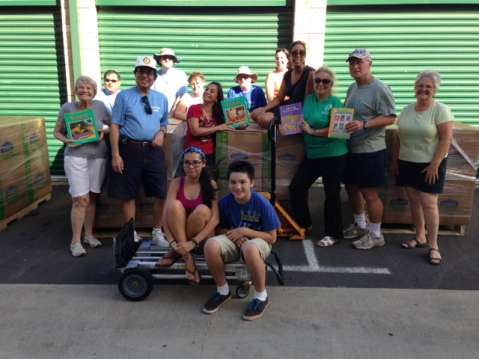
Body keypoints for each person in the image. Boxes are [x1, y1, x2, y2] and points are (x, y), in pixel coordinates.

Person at [202, 160, 281, 321]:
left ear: (252, 183)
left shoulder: (262, 204)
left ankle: (261, 296)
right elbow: (219, 229)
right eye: (233, 182)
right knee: (210, 245)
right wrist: (234, 234)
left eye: (242, 182)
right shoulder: (225, 203)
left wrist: (245, 232)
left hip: (259, 242)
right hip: (235, 240)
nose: (237, 187)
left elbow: (272, 237)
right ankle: (223, 291)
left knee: (250, 248)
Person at [391, 70, 454, 265]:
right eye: (420, 85)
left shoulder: (440, 110)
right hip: (407, 162)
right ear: (415, 88)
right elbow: (398, 136)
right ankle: (420, 236)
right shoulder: (407, 109)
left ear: (435, 90)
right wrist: (395, 161)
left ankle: (433, 245)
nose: (423, 89)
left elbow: (447, 139)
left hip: (430, 164)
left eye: (428, 86)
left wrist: (435, 165)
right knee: (414, 201)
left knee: (428, 203)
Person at [108, 56, 169, 246]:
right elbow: (115, 125)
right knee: (128, 195)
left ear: (154, 77)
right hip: (129, 150)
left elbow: (164, 123)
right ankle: (130, 233)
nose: (145, 76)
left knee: (161, 193)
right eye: (141, 72)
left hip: (153, 152)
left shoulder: (162, 98)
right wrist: (116, 155)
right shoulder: (124, 96)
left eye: (149, 73)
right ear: (135, 75)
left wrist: (161, 132)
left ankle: (157, 232)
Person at [288, 66, 348, 247]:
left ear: (331, 85)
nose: (320, 84)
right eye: (317, 81)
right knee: (297, 187)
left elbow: (341, 130)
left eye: (325, 81)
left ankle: (334, 233)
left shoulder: (337, 102)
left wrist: (313, 132)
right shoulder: (308, 99)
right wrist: (288, 128)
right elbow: (300, 124)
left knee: (331, 194)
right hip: (313, 153)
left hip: (333, 153)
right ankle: (305, 224)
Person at [342, 48, 396, 250]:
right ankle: (361, 225)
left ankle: (376, 234)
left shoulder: (379, 87)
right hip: (352, 148)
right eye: (352, 63)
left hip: (371, 149)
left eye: (359, 63)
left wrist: (364, 125)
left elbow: (390, 117)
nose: (355, 66)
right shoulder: (352, 87)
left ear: (369, 64)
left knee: (370, 193)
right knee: (352, 187)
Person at [53, 76, 111, 257]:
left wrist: (104, 131)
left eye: (89, 88)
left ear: (94, 91)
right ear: (76, 90)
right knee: (80, 200)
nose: (85, 91)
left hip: (99, 157)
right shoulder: (67, 108)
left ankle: (89, 235)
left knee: (92, 197)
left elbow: (112, 125)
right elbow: (57, 131)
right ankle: (75, 242)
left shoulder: (101, 106)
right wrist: (67, 140)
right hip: (75, 158)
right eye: (81, 88)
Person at [155, 147, 220, 284]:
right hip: (181, 240)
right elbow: (165, 217)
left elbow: (215, 219)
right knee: (174, 206)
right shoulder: (177, 183)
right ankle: (185, 256)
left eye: (196, 163)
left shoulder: (210, 184)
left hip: (201, 241)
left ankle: (177, 252)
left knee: (203, 210)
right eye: (187, 163)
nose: (191, 167)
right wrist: (173, 243)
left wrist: (192, 243)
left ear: (203, 163)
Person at [251, 40, 314, 128]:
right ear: (289, 57)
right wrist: (264, 109)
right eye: (294, 53)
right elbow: (279, 98)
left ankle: (280, 128)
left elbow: (307, 102)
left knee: (264, 120)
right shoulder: (288, 74)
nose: (298, 55)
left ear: (305, 56)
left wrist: (297, 121)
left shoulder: (310, 73)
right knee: (254, 114)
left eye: (301, 52)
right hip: (287, 106)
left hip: (298, 110)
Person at [182, 82, 233, 171]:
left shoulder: (219, 114)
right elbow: (195, 131)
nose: (207, 92)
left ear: (217, 98)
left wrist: (242, 124)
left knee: (209, 183)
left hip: (210, 155)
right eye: (207, 89)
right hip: (192, 154)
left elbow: (234, 124)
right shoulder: (194, 109)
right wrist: (217, 127)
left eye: (212, 91)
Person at [152, 48, 188, 115]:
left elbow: (181, 97)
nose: (167, 59)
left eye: (170, 58)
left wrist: (171, 115)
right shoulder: (153, 75)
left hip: (174, 117)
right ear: (160, 60)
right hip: (156, 116)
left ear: (173, 61)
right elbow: (151, 96)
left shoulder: (181, 75)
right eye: (164, 57)